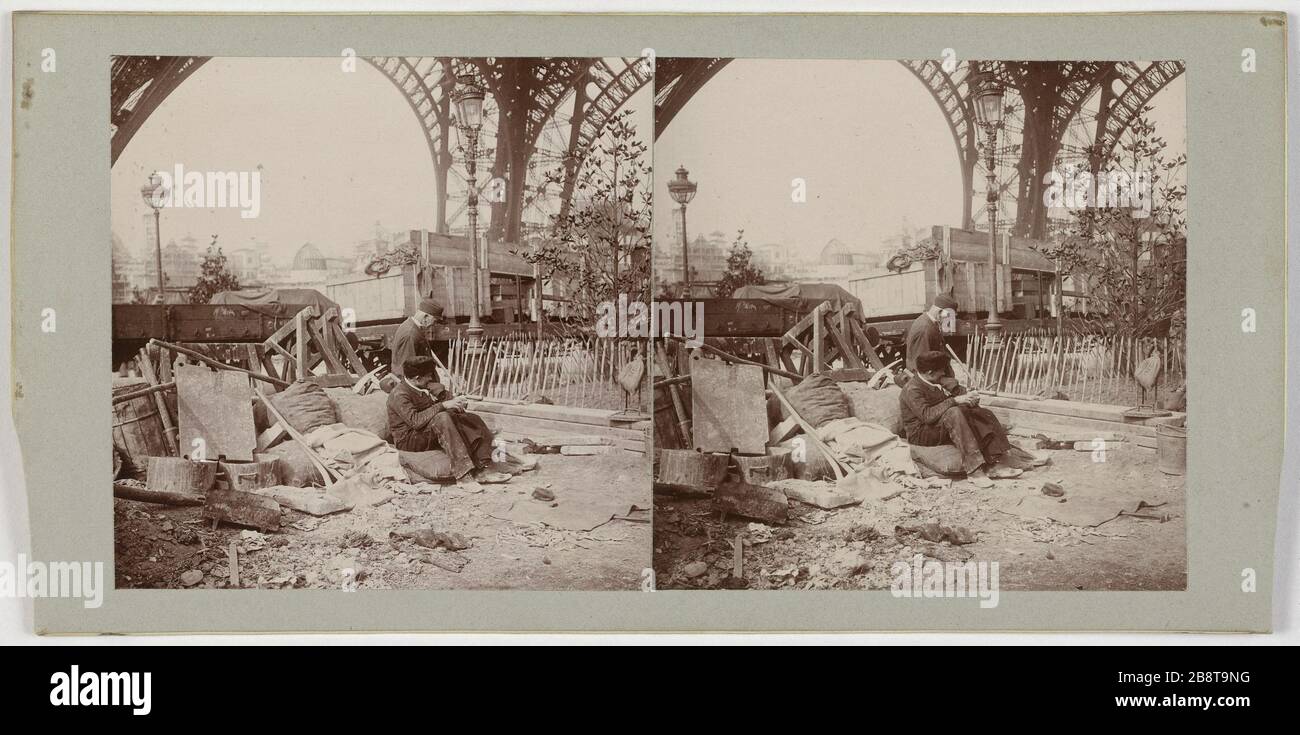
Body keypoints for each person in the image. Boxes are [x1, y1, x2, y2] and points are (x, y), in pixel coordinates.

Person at [900, 350, 1021, 482]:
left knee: (980, 411)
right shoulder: (912, 389)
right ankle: (974, 470)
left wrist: (968, 397)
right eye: (941, 370)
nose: (944, 373)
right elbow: (927, 416)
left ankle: (996, 462)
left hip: (939, 426)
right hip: (922, 434)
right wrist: (955, 400)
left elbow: (954, 394)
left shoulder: (934, 381)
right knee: (955, 412)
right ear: (930, 372)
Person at [386, 355, 509, 483]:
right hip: (409, 440)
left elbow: (433, 409)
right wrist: (443, 405)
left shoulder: (420, 386)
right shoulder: (399, 394)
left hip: (425, 431)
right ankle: (463, 475)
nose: (430, 379)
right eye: (428, 376)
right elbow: (415, 421)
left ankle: (485, 467)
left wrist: (454, 403)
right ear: (417, 379)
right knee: (442, 417)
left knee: (472, 418)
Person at [904, 293, 959, 389]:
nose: (948, 321)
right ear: (939, 312)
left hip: (933, 373)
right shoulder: (924, 329)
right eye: (948, 317)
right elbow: (922, 366)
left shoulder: (931, 323)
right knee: (955, 387)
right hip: (925, 378)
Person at [389, 298, 442, 379]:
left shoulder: (412, 327)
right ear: (426, 317)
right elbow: (408, 370)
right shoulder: (410, 334)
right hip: (413, 385)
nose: (433, 325)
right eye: (434, 321)